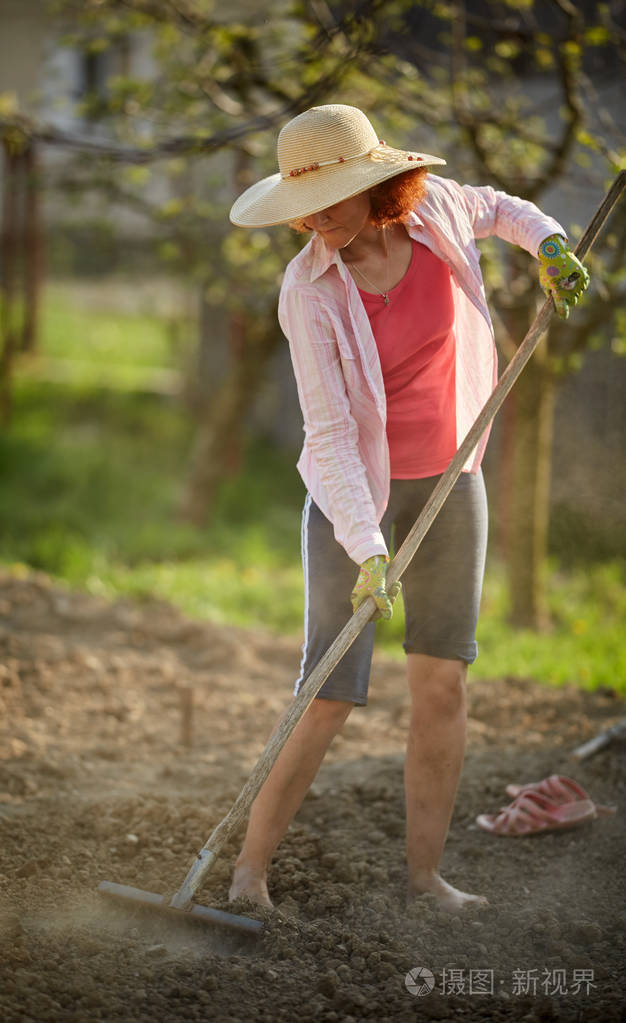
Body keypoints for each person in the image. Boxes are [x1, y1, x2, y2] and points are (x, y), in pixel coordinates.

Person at [226, 104, 589, 912]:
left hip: (455, 475)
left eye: (336, 190)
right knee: (328, 691)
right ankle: (249, 871)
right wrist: (368, 549)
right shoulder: (308, 289)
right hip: (356, 499)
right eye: (305, 198)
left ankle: (426, 877)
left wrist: (551, 244)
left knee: (442, 687)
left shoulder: (436, 212)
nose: (318, 214)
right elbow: (327, 435)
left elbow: (503, 207)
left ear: (378, 182)